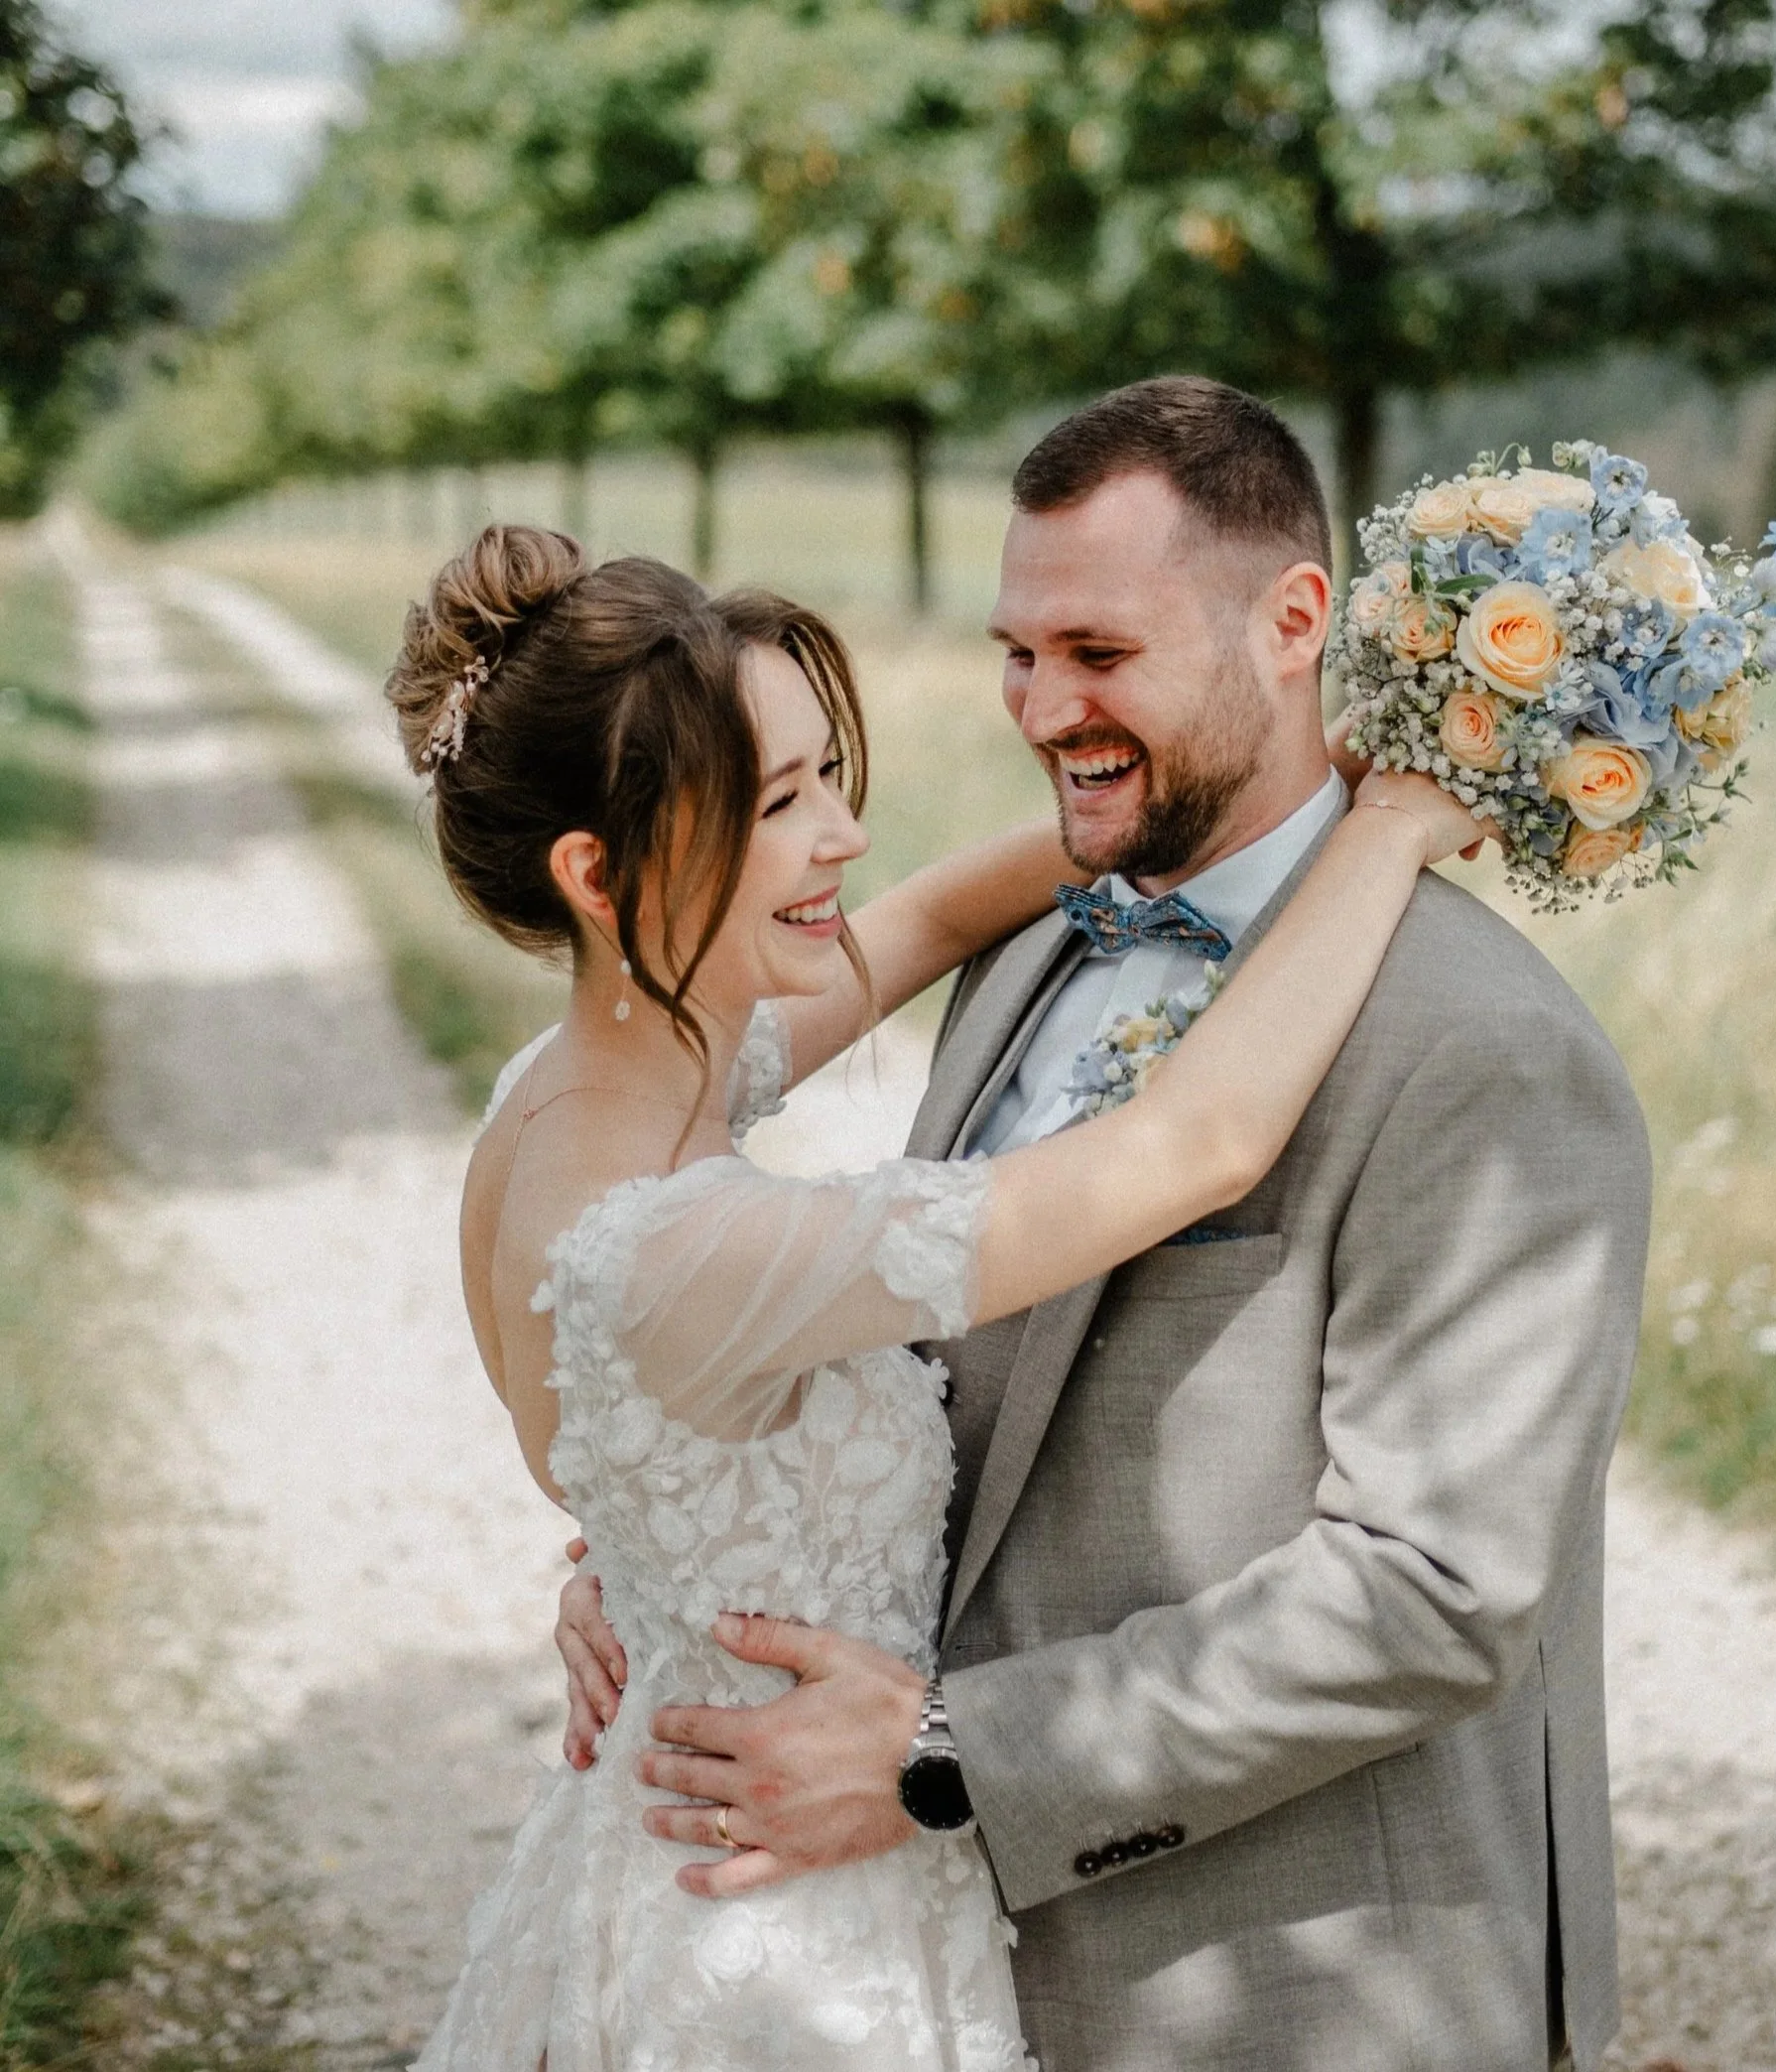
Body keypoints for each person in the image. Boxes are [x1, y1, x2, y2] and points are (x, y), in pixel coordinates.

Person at [557, 378, 1655, 2072]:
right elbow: (920, 1382)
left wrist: (948, 1756)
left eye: (1099, 653)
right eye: (1017, 651)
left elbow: (1437, 1592)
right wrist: (665, 1550)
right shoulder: (1030, 950)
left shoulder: (1481, 1047)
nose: (1041, 705)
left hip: (1289, 1990)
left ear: (1295, 623)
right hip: (951, 1978)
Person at [390, 515, 1484, 2069]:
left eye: (827, 773)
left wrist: (1214, 786)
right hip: (787, 1926)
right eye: (777, 804)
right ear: (598, 871)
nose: (841, 835)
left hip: (656, 1838)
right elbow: (1198, 1142)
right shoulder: (690, 1251)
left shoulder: (562, 1104)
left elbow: (923, 922)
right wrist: (1379, 829)